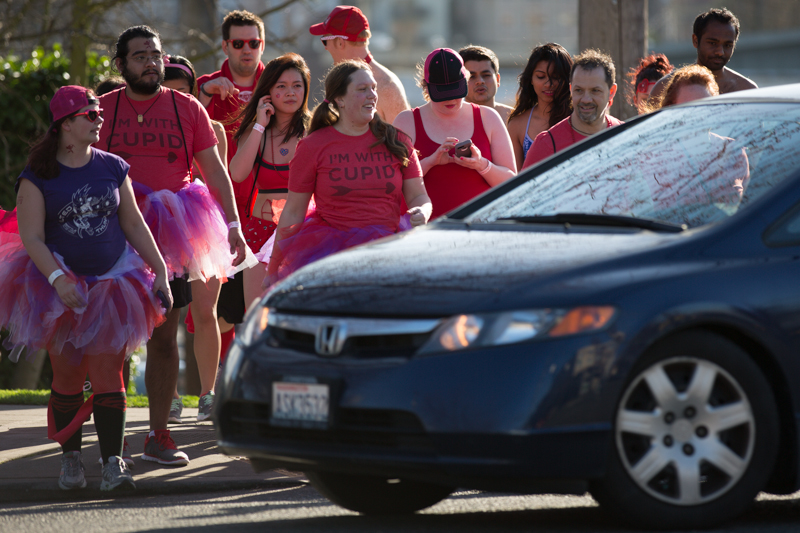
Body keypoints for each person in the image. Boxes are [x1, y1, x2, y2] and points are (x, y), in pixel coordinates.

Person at [0, 86, 171, 491]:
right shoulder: (37, 176)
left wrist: (161, 270)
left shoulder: (113, 166)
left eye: (98, 113)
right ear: (64, 125)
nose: (99, 120)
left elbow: (132, 224)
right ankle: (71, 458)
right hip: (57, 287)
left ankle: (114, 464)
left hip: (113, 284)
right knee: (68, 379)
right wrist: (59, 281)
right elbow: (33, 237)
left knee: (108, 374)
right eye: (89, 115)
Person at [97, 26, 251, 462]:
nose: (150, 61)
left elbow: (216, 172)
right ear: (121, 63)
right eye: (140, 55)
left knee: (164, 337)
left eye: (156, 54)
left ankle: (159, 435)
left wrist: (234, 223)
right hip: (115, 234)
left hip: (173, 232)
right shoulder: (102, 109)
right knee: (116, 340)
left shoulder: (187, 108)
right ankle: (115, 439)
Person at [266, 60, 431, 284]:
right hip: (331, 257)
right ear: (339, 99)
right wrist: (273, 270)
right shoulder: (313, 145)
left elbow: (419, 195)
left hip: (389, 251)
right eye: (362, 90)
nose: (372, 95)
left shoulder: (397, 140)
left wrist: (422, 211)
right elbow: (294, 212)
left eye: (373, 88)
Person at [195, 10, 266, 390]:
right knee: (208, 308)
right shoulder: (205, 86)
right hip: (213, 210)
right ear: (225, 45)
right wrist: (205, 96)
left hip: (261, 209)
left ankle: (239, 386)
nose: (246, 50)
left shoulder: (275, 82)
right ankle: (204, 390)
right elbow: (181, 130)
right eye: (238, 43)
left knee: (249, 308)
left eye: (253, 43)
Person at [162, 54, 229, 422]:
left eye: (182, 90)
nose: (174, 97)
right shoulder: (148, 123)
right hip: (161, 223)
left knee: (206, 311)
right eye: (166, 90)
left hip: (201, 221)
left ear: (192, 92)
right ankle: (170, 394)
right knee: (164, 315)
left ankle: (208, 394)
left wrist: (228, 228)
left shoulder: (211, 128)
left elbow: (219, 180)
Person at [228, 53, 311, 308]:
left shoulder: (315, 130)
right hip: (260, 230)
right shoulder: (256, 131)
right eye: (281, 86)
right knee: (257, 313)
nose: (290, 92)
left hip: (304, 232)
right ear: (268, 92)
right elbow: (237, 173)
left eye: (297, 86)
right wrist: (260, 125)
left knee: (298, 313)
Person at [393, 48, 516, 219]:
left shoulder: (488, 117)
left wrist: (481, 164)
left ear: (465, 81)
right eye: (443, 94)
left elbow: (512, 183)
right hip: (423, 231)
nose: (450, 99)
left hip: (480, 229)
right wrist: (430, 162)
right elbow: (391, 184)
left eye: (455, 92)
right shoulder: (406, 121)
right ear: (426, 88)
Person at [522, 49, 623, 170]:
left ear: (611, 92)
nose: (586, 99)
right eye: (578, 90)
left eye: (595, 90)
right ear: (571, 89)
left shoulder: (628, 135)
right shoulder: (546, 144)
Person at [309, 5, 409, 124]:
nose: (325, 48)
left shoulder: (387, 87)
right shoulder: (340, 80)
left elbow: (405, 140)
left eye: (325, 41)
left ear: (340, 43)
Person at [651, 7, 756, 103]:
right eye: (713, 43)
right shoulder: (664, 88)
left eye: (727, 45)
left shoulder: (747, 91)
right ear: (695, 41)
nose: (720, 52)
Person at [506, 43, 573, 171]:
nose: (548, 84)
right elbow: (515, 179)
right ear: (530, 79)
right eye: (541, 77)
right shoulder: (518, 125)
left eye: (556, 77)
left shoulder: (578, 118)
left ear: (567, 80)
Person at [458, 45, 513, 124]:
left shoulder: (516, 118)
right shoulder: (449, 119)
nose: (480, 81)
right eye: (472, 76)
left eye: (486, 75)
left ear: (498, 79)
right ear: (460, 82)